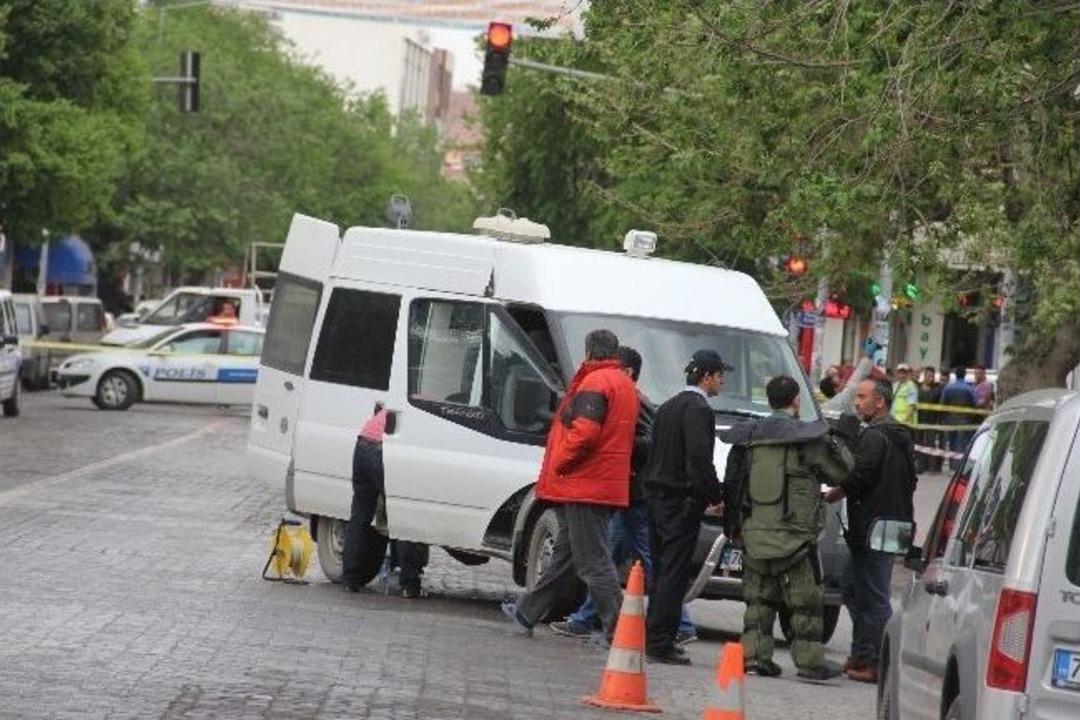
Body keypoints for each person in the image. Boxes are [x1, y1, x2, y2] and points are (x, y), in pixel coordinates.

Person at [550, 347, 698, 645]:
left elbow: (649, 440)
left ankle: (680, 622)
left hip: (637, 493)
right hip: (626, 490)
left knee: (636, 558)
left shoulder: (634, 399)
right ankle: (585, 618)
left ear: (628, 372)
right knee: (608, 555)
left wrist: (620, 444)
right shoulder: (622, 395)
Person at [501, 329, 639, 641]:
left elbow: (585, 433)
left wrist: (561, 461)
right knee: (566, 558)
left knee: (593, 561)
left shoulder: (596, 382)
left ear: (589, 352)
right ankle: (527, 612)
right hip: (601, 484)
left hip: (585, 485)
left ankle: (621, 632)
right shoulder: (623, 385)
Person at [721, 376, 854, 681]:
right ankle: (809, 663)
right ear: (796, 400)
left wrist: (735, 528)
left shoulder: (749, 437)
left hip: (754, 534)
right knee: (805, 602)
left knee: (758, 600)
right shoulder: (808, 438)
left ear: (768, 400)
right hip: (795, 538)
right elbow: (841, 472)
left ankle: (754, 657)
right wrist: (842, 441)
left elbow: (733, 485)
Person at [825, 378, 917, 683]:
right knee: (852, 588)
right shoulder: (893, 435)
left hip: (877, 528)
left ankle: (877, 663)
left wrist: (838, 489)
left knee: (875, 597)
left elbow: (860, 474)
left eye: (863, 397)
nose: (857, 402)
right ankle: (861, 653)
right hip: (882, 526)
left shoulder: (878, 436)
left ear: (880, 402)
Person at [642, 349, 729, 665]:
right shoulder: (699, 409)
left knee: (661, 570)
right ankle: (661, 642)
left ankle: (654, 635)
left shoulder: (667, 407)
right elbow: (698, 458)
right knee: (673, 573)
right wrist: (715, 495)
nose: (721, 381)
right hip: (679, 502)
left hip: (655, 499)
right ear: (706, 376)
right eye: (720, 375)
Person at [342, 405, 430, 598]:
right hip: (384, 449)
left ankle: (350, 578)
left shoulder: (399, 400)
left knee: (360, 516)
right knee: (403, 514)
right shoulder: (425, 406)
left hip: (363, 444)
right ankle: (409, 583)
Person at [940, 368, 977, 471]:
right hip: (965, 420)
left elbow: (942, 404)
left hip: (950, 420)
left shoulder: (948, 388)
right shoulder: (969, 388)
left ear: (955, 375)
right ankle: (960, 467)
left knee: (951, 443)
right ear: (965, 375)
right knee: (962, 443)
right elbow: (975, 403)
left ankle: (952, 466)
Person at [916, 366, 943, 473]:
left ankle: (932, 467)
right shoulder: (917, 388)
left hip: (931, 421)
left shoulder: (936, 390)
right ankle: (920, 466)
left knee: (930, 444)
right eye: (928, 376)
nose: (930, 378)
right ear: (924, 376)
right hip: (919, 421)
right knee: (919, 444)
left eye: (932, 376)